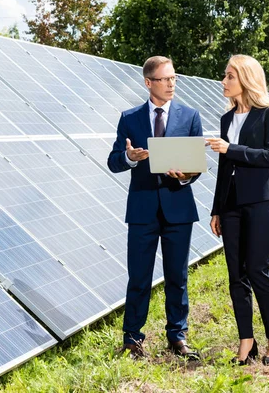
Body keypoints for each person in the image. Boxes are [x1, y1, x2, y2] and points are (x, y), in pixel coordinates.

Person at [108, 56, 203, 360]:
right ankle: (132, 339)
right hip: (142, 210)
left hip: (178, 207)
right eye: (165, 79)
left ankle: (177, 336)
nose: (172, 84)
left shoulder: (190, 116)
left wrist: (187, 174)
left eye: (174, 78)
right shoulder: (130, 118)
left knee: (177, 276)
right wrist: (131, 158)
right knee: (139, 277)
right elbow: (114, 161)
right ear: (149, 83)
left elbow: (197, 166)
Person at [206, 54, 269, 366]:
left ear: (245, 79)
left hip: (261, 202)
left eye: (229, 76)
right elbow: (224, 169)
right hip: (231, 206)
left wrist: (232, 148)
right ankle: (246, 340)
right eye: (225, 76)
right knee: (236, 276)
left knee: (258, 270)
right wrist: (216, 210)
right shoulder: (226, 119)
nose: (223, 82)